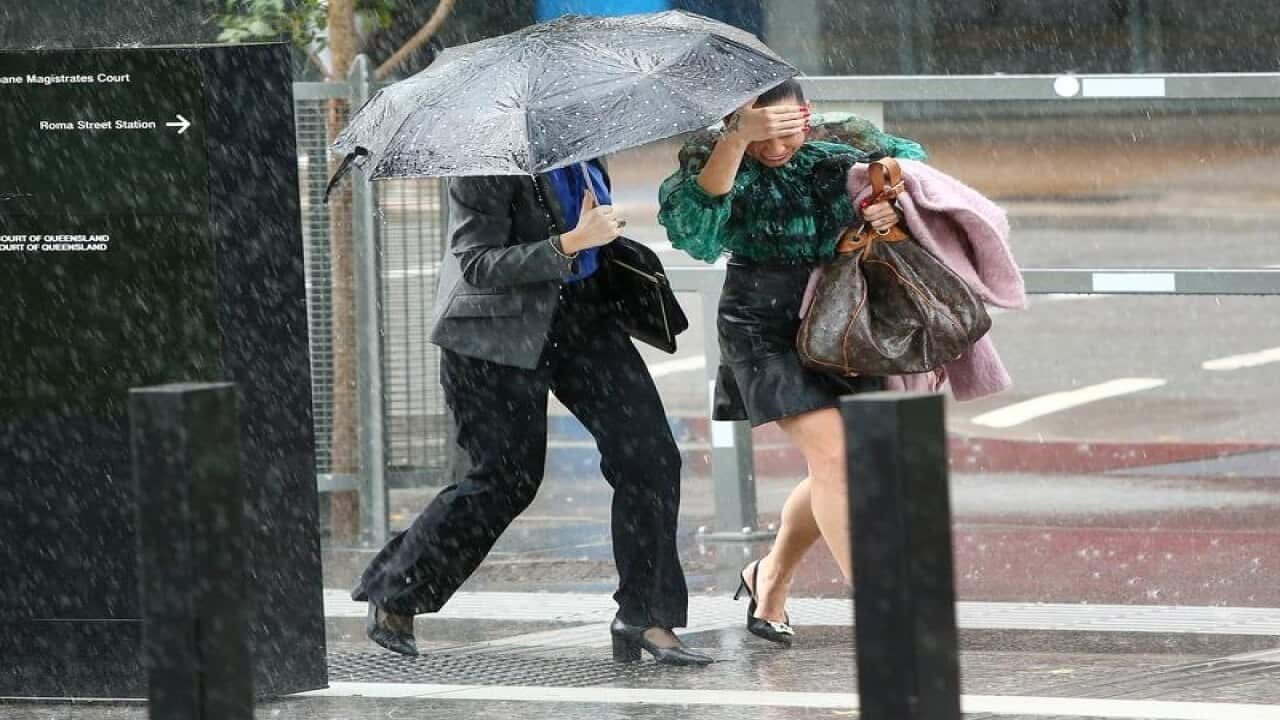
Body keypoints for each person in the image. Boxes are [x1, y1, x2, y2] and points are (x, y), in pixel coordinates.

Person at [352, 158, 712, 666]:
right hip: (491, 334)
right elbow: (476, 263)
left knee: (650, 458)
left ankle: (645, 615)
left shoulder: (582, 150)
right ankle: (397, 589)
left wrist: (598, 242)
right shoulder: (487, 164)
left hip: (582, 317)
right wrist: (569, 243)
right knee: (507, 476)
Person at [658, 79, 927, 645]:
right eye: (763, 135)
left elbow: (913, 167)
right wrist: (736, 141)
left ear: (805, 116)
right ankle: (884, 610)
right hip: (759, 320)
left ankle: (769, 576)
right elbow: (697, 236)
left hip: (840, 312)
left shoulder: (842, 141)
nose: (777, 149)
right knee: (835, 457)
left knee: (842, 464)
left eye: (788, 132)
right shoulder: (713, 154)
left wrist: (885, 201)